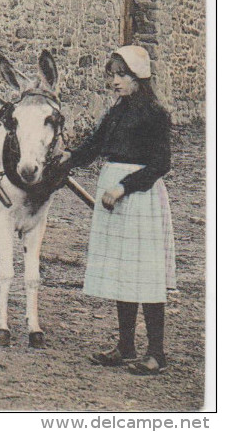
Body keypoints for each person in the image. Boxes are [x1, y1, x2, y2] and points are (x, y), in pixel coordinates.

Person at [63, 46, 175, 376]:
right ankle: (126, 346)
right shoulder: (117, 111)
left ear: (140, 78)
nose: (115, 81)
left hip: (138, 195)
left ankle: (156, 353)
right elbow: (94, 146)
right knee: (122, 271)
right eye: (111, 75)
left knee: (146, 273)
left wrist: (123, 187)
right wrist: (65, 161)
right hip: (113, 191)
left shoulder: (154, 114)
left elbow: (160, 164)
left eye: (121, 75)